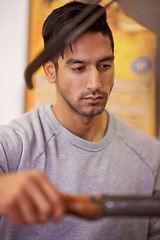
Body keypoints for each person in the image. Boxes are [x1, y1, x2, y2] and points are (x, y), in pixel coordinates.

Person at [0, 1, 160, 239]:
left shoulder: (150, 155)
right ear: (50, 71)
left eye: (104, 65)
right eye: (79, 68)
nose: (95, 83)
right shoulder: (14, 145)